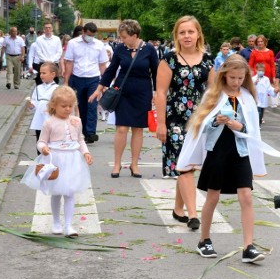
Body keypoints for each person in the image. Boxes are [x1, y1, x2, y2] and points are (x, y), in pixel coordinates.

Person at [175, 55, 266, 262]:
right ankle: (204, 239)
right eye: (232, 77)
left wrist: (239, 126)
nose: (236, 82)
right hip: (217, 150)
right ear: (224, 75)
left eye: (240, 78)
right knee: (213, 196)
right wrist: (216, 122)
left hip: (240, 151)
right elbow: (201, 124)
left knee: (246, 196)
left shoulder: (246, 96)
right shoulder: (213, 94)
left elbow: (253, 127)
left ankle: (248, 246)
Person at [154, 15, 215, 231]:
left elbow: (212, 92)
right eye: (182, 32)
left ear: (198, 34)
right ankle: (192, 214)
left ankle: (178, 209)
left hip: (199, 121)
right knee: (185, 166)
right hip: (175, 120)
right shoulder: (169, 60)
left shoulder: (208, 60)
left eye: (190, 32)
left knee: (187, 165)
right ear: (176, 36)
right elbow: (160, 93)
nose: (186, 36)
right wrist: (160, 124)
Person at [89, 19, 159, 178]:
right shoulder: (120, 49)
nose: (122, 40)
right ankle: (117, 164)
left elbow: (156, 72)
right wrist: (98, 89)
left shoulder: (149, 49)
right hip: (122, 92)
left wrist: (156, 93)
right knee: (121, 129)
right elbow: (110, 71)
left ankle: (135, 164)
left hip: (142, 93)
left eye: (124, 37)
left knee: (138, 129)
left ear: (135, 35)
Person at [22, 86, 94, 237]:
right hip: (56, 160)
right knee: (56, 193)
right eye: (64, 106)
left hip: (73, 159)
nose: (68, 109)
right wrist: (44, 149)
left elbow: (80, 139)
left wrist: (85, 152)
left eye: (70, 106)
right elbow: (41, 141)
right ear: (54, 105)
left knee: (69, 193)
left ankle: (68, 225)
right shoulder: (49, 122)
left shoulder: (76, 121)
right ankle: (56, 221)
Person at [63, 22, 108, 143]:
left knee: (92, 105)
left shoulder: (99, 45)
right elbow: (69, 63)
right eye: (88, 35)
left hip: (93, 78)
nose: (90, 38)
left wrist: (105, 82)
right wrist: (66, 81)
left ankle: (91, 133)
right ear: (83, 32)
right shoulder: (73, 43)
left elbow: (102, 64)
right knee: (81, 106)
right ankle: (83, 132)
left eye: (92, 35)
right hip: (77, 77)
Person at [28, 62, 59, 139]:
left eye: (44, 73)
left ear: (53, 74)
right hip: (39, 120)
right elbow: (35, 102)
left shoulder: (57, 89)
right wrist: (31, 106)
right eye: (40, 73)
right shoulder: (38, 88)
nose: (41, 75)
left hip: (51, 121)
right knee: (39, 141)